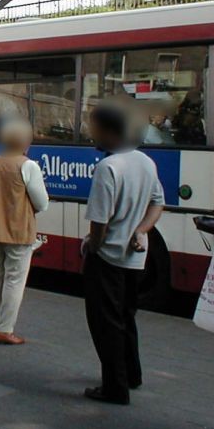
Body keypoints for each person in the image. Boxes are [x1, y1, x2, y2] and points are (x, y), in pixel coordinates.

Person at [82, 104, 164, 405]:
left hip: (108, 258)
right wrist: (141, 230)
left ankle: (114, 387)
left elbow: (99, 221)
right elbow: (158, 203)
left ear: (107, 131)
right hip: (135, 258)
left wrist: (94, 246)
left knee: (106, 323)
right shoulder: (145, 161)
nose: (92, 134)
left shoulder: (108, 167)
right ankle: (132, 374)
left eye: (94, 128)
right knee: (127, 317)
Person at [0, 117, 49, 345]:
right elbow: (42, 203)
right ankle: (5, 329)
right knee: (14, 280)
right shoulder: (28, 166)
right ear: (26, 143)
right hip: (19, 233)